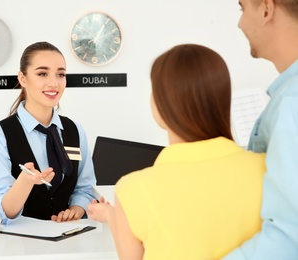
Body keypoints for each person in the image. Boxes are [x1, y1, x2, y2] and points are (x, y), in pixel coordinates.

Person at [86, 44, 266, 260]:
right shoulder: (267, 169)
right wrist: (112, 214)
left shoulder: (133, 189)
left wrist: (116, 216)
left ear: (161, 105)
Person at [0, 41, 96, 225]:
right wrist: (25, 182)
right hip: (20, 243)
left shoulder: (75, 130)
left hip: (69, 235)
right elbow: (1, 211)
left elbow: (85, 187)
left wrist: (76, 209)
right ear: (23, 78)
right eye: (42, 73)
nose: (54, 83)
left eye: (61, 74)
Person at [222, 0, 298, 259]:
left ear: (266, 9)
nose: (240, 22)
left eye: (242, 8)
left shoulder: (291, 102)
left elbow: (290, 236)